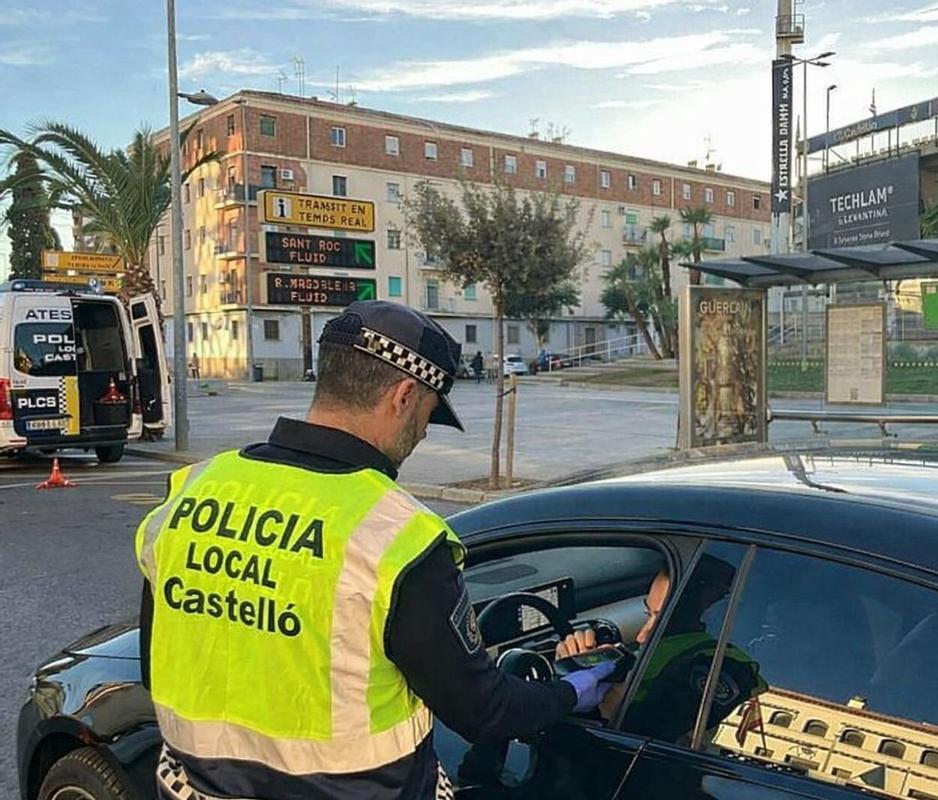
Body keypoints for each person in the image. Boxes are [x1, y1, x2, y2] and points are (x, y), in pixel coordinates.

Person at [134, 301, 614, 800]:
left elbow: (159, 659)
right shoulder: (396, 536)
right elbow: (483, 711)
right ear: (404, 395)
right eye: (430, 412)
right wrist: (568, 690)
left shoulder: (193, 490)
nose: (425, 432)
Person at [555, 557, 763, 744]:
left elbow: (653, 739)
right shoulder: (668, 646)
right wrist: (577, 666)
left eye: (664, 619)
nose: (642, 635)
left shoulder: (728, 666)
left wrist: (603, 691)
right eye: (649, 614)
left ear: (712, 609)